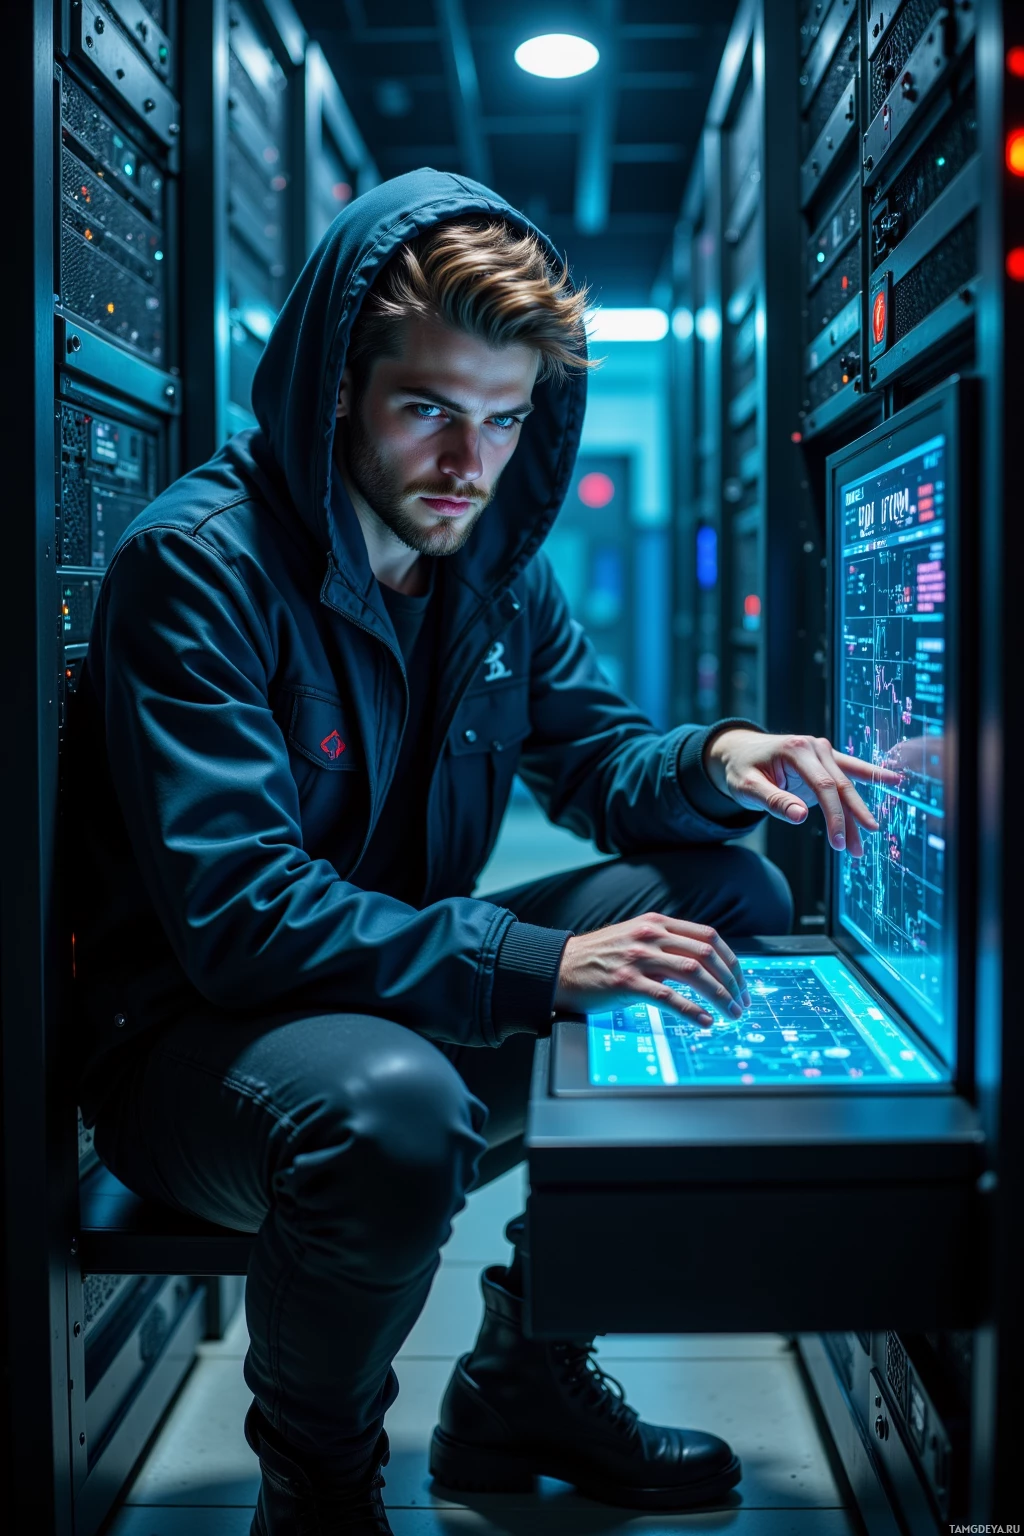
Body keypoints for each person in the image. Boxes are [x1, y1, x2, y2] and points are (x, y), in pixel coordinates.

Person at [69, 169, 889, 1534]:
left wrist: (716, 759)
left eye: (505, 420)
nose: (469, 463)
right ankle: (319, 1491)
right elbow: (242, 914)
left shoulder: (491, 564)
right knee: (392, 1113)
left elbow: (602, 764)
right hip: (196, 1056)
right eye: (429, 411)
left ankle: (526, 1371)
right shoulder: (198, 566)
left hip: (385, 1000)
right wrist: (537, 961)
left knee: (725, 895)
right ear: (338, 388)